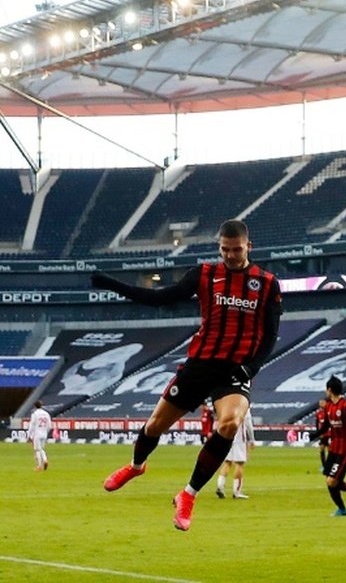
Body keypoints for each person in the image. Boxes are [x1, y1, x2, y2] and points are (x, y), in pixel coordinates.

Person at [92, 219, 282, 532]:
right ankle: (136, 466)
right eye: (225, 249)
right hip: (200, 364)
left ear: (249, 246)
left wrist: (252, 367)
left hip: (235, 369)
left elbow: (271, 336)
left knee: (230, 423)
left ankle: (188, 495)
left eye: (237, 249)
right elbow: (161, 298)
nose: (231, 255)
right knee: (155, 425)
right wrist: (114, 284)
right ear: (219, 246)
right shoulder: (205, 275)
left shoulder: (267, 283)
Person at [314, 376, 346, 516]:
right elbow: (325, 427)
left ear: (329, 390)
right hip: (334, 448)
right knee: (330, 481)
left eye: (326, 388)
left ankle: (344, 506)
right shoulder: (329, 406)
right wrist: (314, 434)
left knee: (332, 481)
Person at [216, 406, 255, 499]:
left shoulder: (228, 404)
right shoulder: (244, 405)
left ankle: (220, 486)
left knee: (227, 462)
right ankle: (236, 492)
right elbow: (248, 424)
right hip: (239, 439)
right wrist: (252, 440)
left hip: (226, 437)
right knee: (240, 463)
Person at [27, 400, 52, 471]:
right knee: (42, 449)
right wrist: (46, 431)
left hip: (37, 433)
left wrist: (29, 435)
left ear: (35, 406)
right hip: (44, 433)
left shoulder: (35, 414)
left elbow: (31, 425)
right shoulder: (46, 414)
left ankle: (40, 465)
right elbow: (49, 425)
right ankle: (45, 460)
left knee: (37, 449)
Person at [315, 397, 330, 470]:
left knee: (331, 450)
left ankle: (331, 465)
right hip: (323, 435)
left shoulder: (329, 412)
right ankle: (324, 466)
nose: (320, 403)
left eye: (322, 402)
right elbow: (317, 424)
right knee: (321, 449)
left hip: (330, 434)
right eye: (320, 402)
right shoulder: (318, 413)